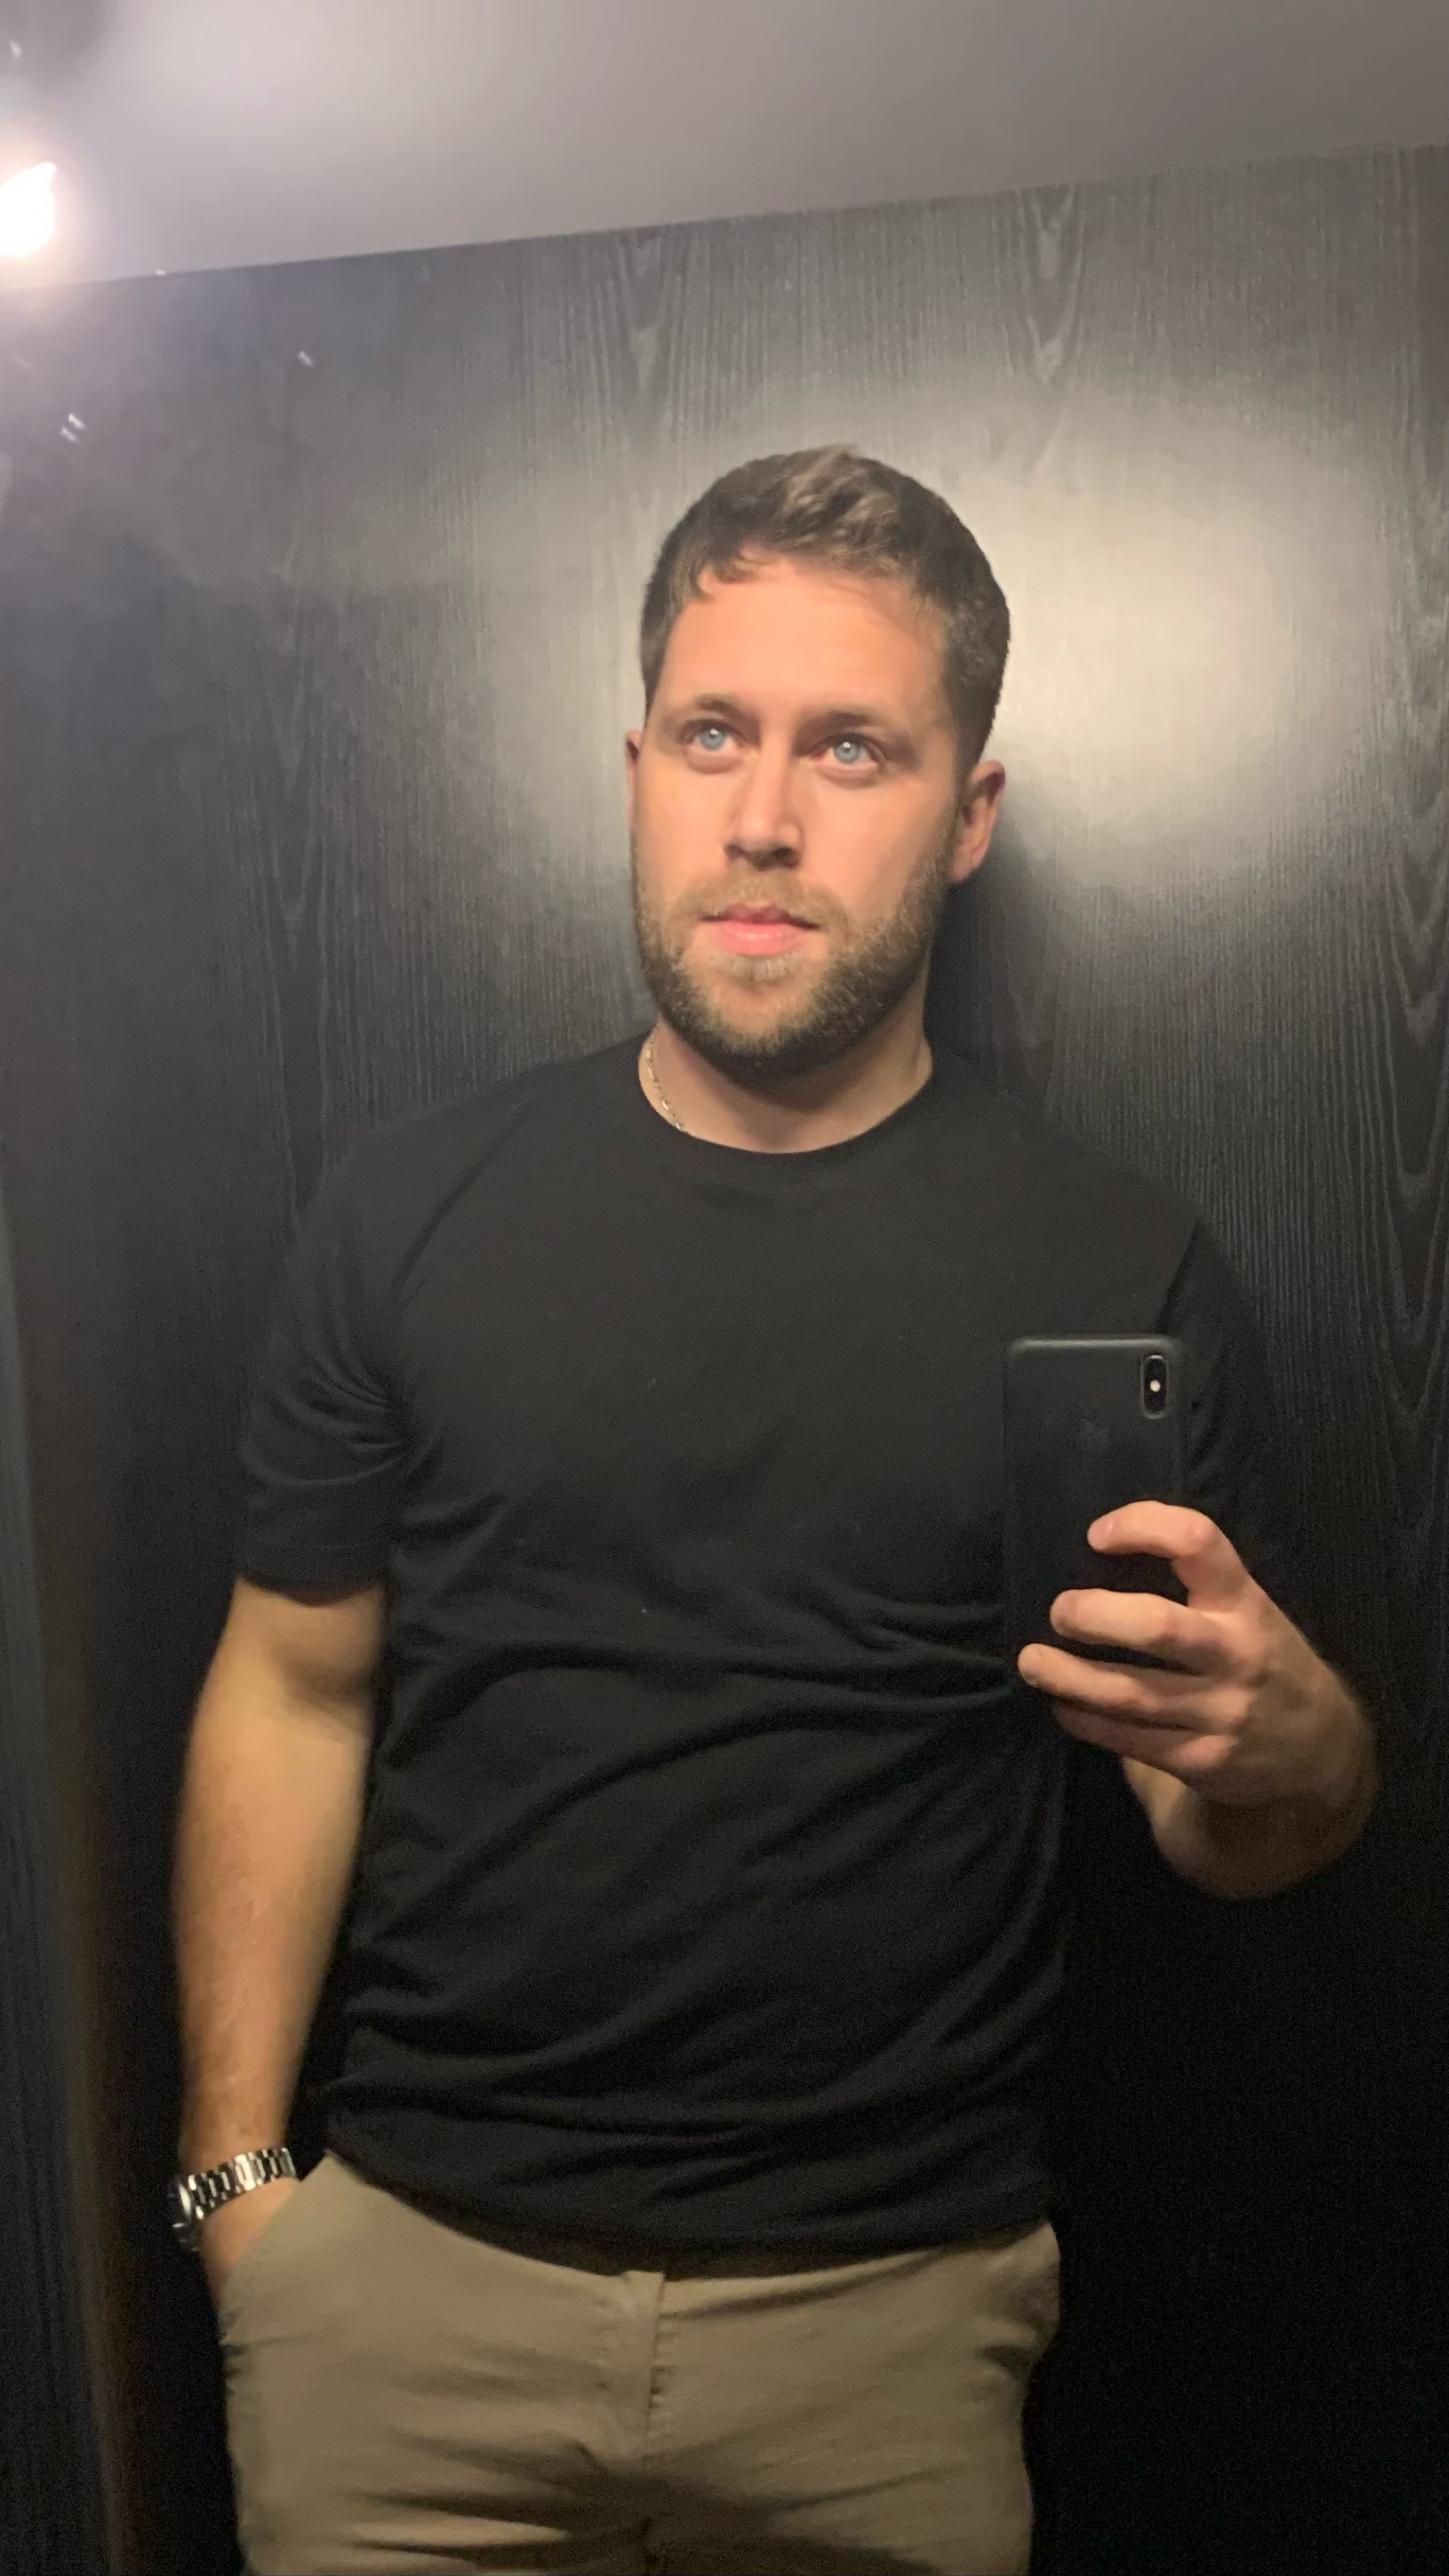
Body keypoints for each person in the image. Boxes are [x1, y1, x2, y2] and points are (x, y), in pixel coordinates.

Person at [171, 447, 1377, 2576]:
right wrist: (236, 2183)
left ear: (968, 813)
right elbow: (292, 1685)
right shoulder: (407, 1216)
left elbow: (1229, 1818)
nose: (763, 814)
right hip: (405, 2307)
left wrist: (1308, 1757)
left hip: (888, 2329)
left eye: (854, 748)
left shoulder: (1115, 1269)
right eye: (714, 732)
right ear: (637, 768)